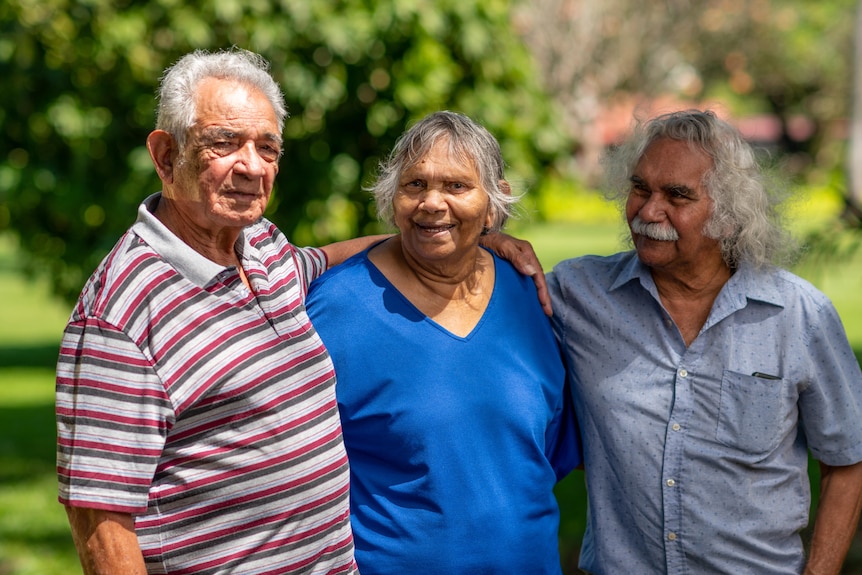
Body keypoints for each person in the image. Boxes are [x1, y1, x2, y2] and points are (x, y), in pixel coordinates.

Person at [55, 48, 393, 575]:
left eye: (267, 147)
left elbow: (324, 260)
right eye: (224, 143)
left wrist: (458, 244)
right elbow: (99, 517)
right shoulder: (120, 314)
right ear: (166, 156)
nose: (252, 166)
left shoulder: (260, 245)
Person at [547, 109, 862, 574]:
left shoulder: (800, 315)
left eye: (677, 195)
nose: (649, 211)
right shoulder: (578, 293)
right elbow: (457, 277)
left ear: (730, 217)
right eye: (640, 188)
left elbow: (849, 460)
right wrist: (494, 246)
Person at [305, 110, 581, 575]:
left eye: (457, 186)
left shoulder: (529, 297)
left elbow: (540, 453)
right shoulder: (334, 310)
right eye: (415, 185)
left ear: (494, 205)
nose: (432, 203)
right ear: (392, 197)